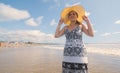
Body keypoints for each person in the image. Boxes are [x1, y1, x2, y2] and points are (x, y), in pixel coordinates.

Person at [54, 5, 94, 73]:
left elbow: (91, 34)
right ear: (68, 17)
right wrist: (59, 24)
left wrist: (87, 21)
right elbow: (56, 35)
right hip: (67, 54)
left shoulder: (81, 25)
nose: (72, 15)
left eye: (74, 14)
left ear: (77, 16)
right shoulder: (65, 27)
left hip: (80, 54)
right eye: (70, 14)